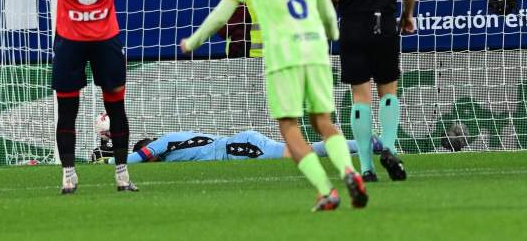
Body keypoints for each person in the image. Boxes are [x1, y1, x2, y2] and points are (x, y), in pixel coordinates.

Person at [181, 0, 368, 212]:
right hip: (316, 49)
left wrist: (194, 40)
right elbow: (326, 8)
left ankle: (326, 191)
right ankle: (349, 172)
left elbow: (221, 14)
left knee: (289, 126)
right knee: (323, 121)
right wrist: (334, 34)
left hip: (284, 53)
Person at [44, 0, 138, 194]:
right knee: (116, 108)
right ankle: (122, 175)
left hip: (71, 39)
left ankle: (69, 175)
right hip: (105, 38)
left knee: (67, 109)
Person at [323, 0, 417, 183]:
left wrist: (341, 2)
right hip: (384, 22)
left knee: (360, 96)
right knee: (388, 90)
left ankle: (366, 166)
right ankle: (388, 147)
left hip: (353, 24)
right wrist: (406, 16)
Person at [97, 130, 382, 164]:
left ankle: (364, 144)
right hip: (239, 144)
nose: (151, 162)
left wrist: (110, 162)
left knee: (302, 152)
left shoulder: (160, 143)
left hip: (238, 147)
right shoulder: (170, 151)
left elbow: (140, 157)